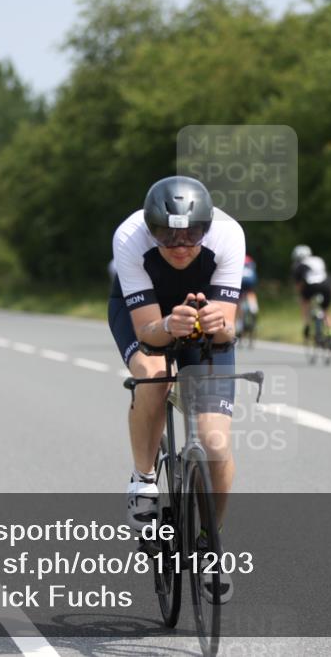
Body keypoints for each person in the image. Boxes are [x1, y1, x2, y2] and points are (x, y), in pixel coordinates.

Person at [109, 175, 244, 603]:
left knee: (215, 441)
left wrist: (218, 325)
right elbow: (147, 328)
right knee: (154, 375)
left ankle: (210, 543)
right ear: (151, 229)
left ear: (207, 226)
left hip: (202, 324)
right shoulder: (130, 237)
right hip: (148, 316)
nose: (182, 245)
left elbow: (226, 330)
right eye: (168, 236)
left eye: (192, 234)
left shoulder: (228, 234)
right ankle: (143, 479)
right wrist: (169, 325)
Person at [291, 245, 331, 347]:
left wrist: (301, 296)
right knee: (326, 310)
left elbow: (299, 285)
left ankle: (307, 326)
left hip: (311, 286)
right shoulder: (318, 259)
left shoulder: (298, 265)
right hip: (326, 285)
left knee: (304, 302)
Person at [236, 254, 259, 338]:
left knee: (238, 304)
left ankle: (239, 325)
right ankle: (254, 310)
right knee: (251, 292)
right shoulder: (251, 261)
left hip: (241, 283)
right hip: (250, 283)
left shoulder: (238, 258)